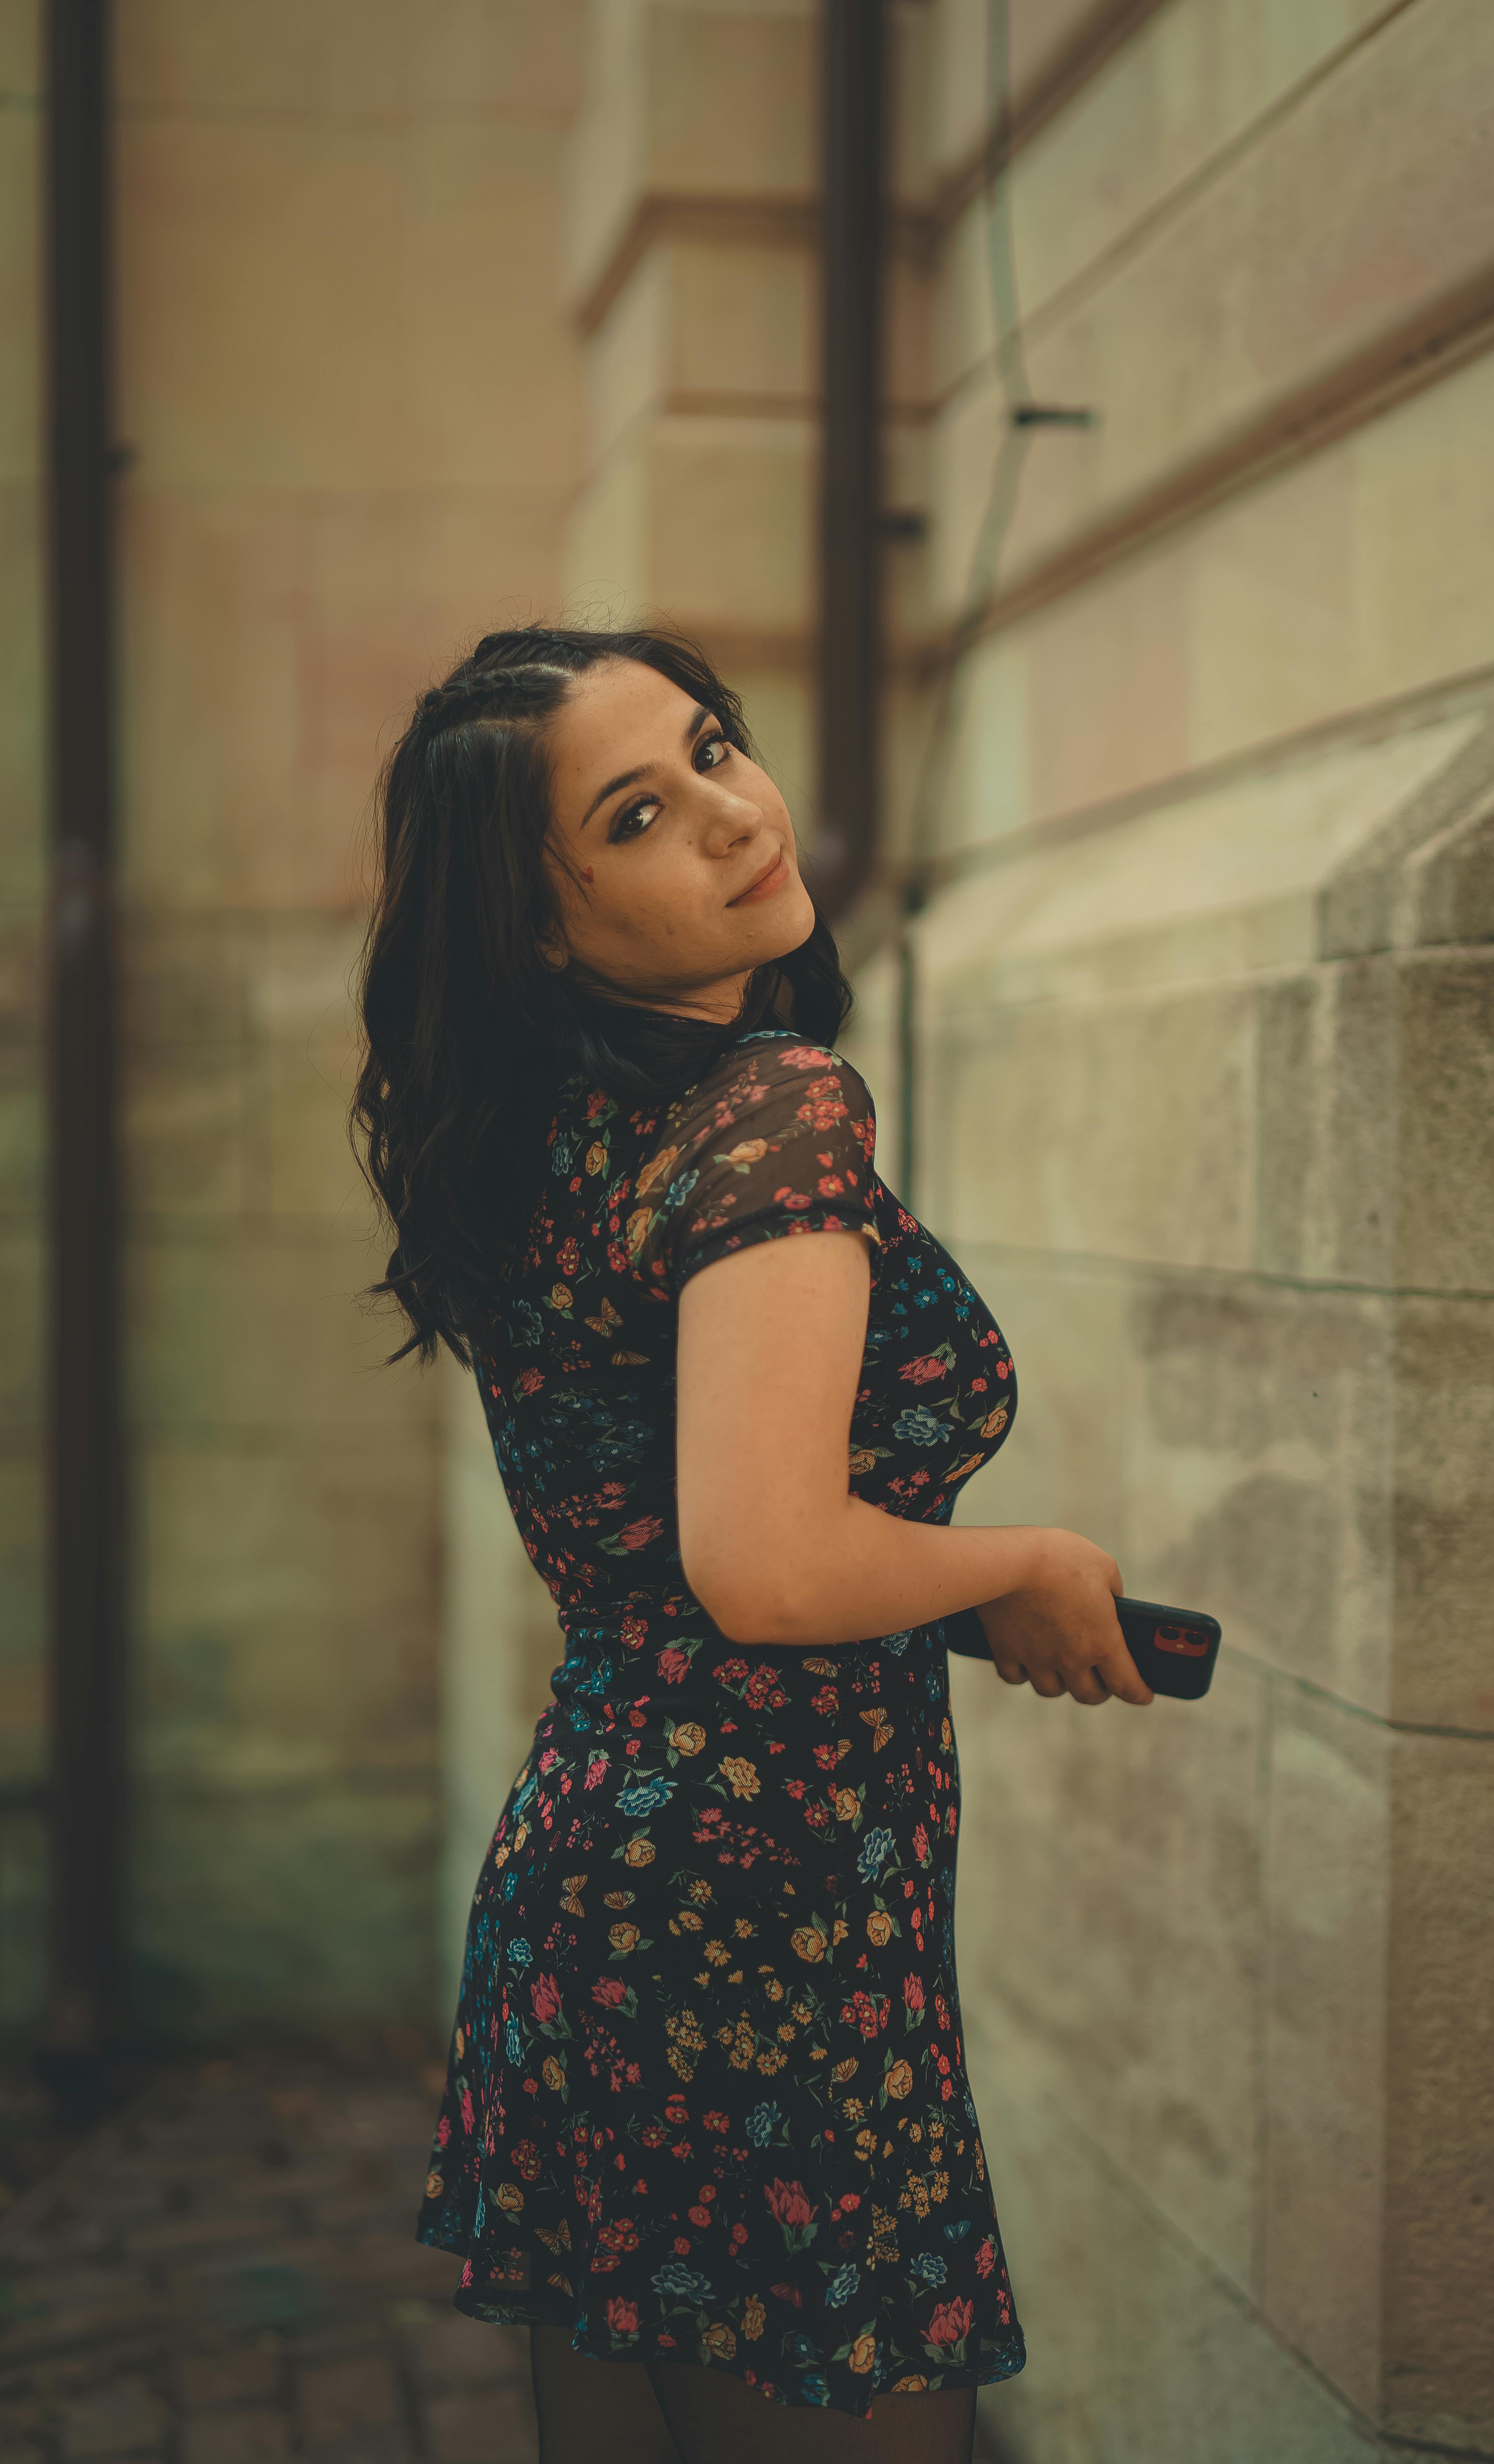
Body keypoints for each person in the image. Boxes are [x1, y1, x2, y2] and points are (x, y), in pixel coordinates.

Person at [352, 625, 1152, 2464]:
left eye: (714, 747)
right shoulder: (770, 1113)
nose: (730, 814)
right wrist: (1018, 1563)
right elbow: (767, 1568)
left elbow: (673, 1555)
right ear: (544, 928)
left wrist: (935, 1599)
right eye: (641, 813)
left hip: (601, 1887)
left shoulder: (551, 1131)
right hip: (762, 1913)